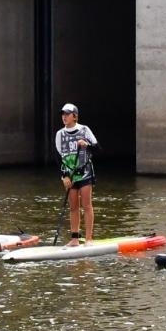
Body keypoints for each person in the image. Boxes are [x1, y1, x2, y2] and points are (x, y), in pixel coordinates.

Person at [55, 103, 98, 245]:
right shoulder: (60, 134)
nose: (64, 117)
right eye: (63, 114)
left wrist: (87, 145)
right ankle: (75, 239)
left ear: (75, 116)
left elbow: (98, 149)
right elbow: (58, 158)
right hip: (70, 175)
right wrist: (64, 176)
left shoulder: (84, 130)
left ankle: (89, 239)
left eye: (67, 114)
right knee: (73, 206)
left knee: (86, 205)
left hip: (85, 172)